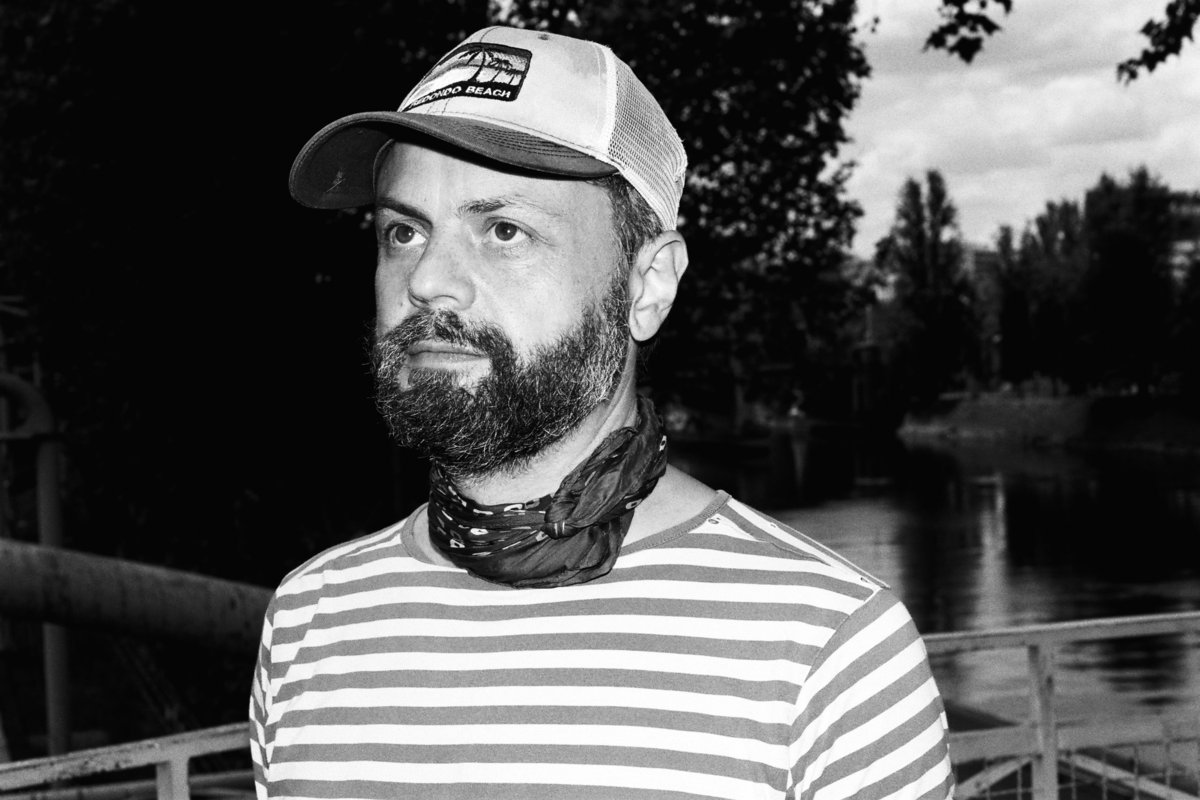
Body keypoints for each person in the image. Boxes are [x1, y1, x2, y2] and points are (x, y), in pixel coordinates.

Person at [250, 25, 954, 800]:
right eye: (404, 231)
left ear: (647, 285)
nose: (427, 281)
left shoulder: (831, 654)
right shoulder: (309, 621)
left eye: (504, 230)